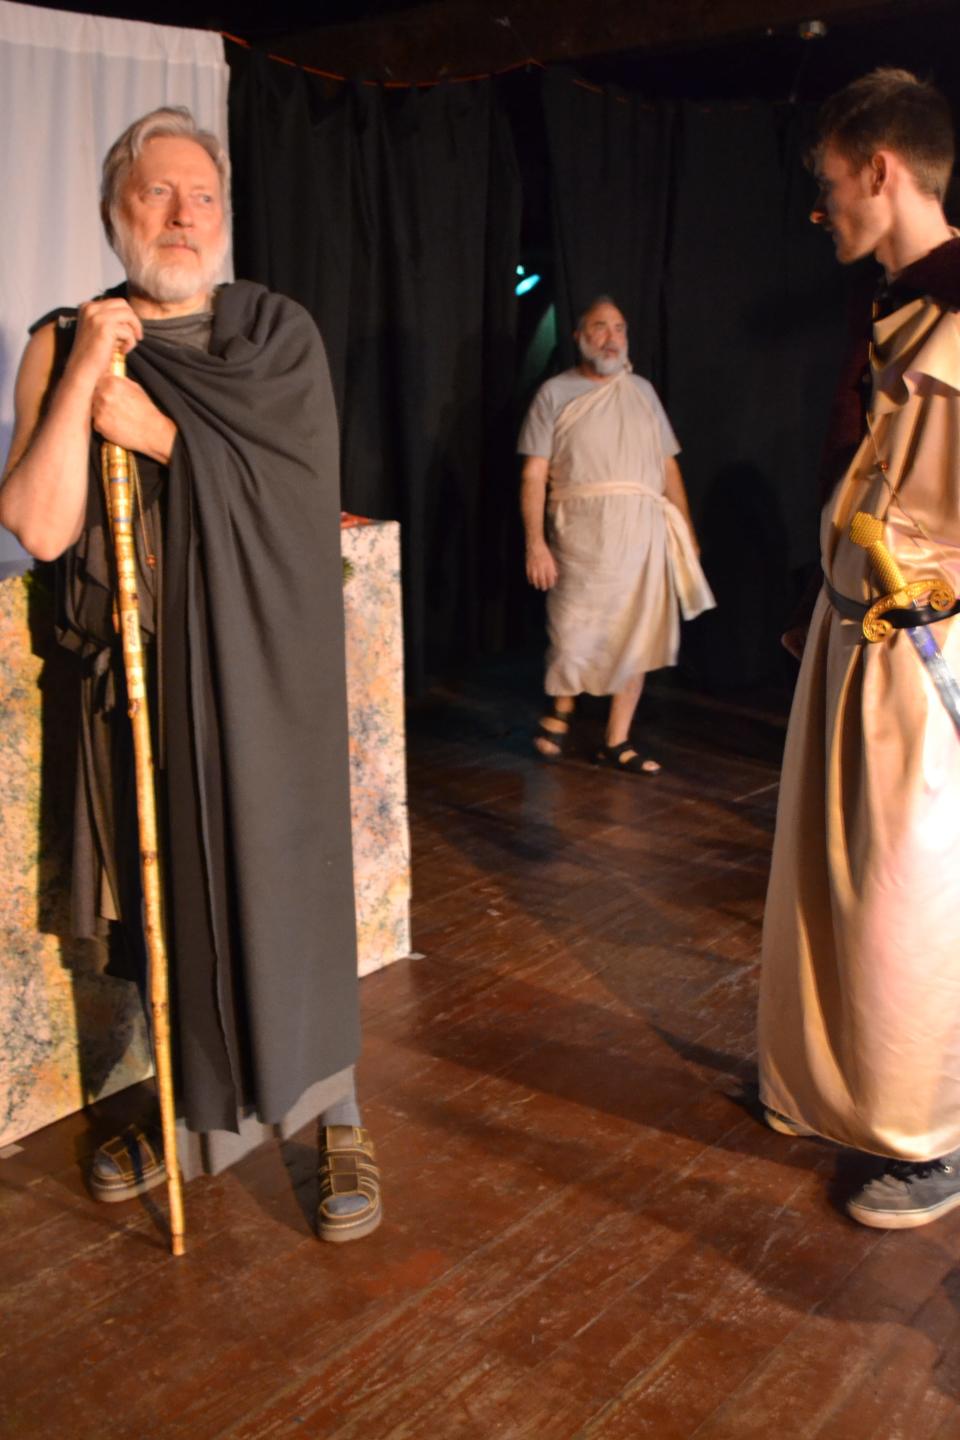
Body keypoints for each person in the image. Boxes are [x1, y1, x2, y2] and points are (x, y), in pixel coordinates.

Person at [0, 107, 381, 1243]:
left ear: (223, 213)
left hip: (264, 673)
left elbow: (305, 509)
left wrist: (165, 439)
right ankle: (188, 1112)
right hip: (139, 687)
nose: (179, 216)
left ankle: (331, 1119)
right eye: (154, 195)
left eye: (199, 196)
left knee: (281, 882)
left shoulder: (276, 337)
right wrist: (85, 381)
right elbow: (41, 522)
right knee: (172, 903)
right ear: (115, 212)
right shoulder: (65, 338)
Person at [759, 69, 960, 1229]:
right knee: (828, 881)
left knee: (908, 892)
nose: (819, 205)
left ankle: (932, 1134)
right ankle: (838, 1088)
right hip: (855, 636)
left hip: (924, 654)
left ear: (880, 170)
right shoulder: (894, 306)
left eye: (828, 181)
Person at [518, 297, 714, 773]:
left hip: (642, 532)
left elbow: (668, 466)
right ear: (580, 336)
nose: (611, 337)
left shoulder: (642, 391)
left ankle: (617, 739)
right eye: (600, 327)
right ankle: (562, 703)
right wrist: (535, 543)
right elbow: (532, 475)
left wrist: (685, 531)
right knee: (572, 630)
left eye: (620, 328)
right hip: (580, 531)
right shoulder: (555, 393)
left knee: (637, 632)